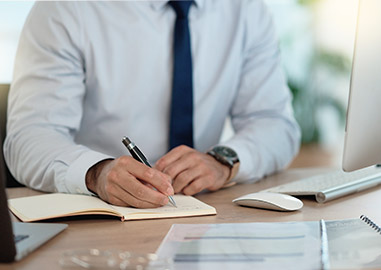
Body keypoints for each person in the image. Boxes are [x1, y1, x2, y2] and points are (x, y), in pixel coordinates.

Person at [5, 0, 300, 208]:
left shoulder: (247, 10)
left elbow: (274, 123)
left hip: (201, 214)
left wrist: (223, 161)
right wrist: (96, 172)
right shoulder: (64, 9)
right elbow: (29, 137)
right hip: (98, 219)